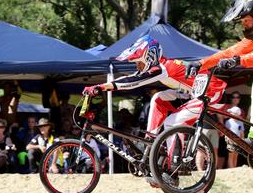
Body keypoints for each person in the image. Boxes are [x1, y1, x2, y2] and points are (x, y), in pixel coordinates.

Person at [84, 35, 227, 137]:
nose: (137, 66)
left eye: (139, 62)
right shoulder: (163, 66)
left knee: (172, 123)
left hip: (212, 92)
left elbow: (132, 81)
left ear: (150, 56)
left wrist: (102, 87)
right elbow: (133, 77)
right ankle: (151, 138)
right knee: (158, 98)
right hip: (194, 92)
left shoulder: (161, 69)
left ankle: (174, 164)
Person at [185, 0, 253, 143]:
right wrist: (201, 63)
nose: (244, 25)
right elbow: (231, 51)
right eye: (242, 22)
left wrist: (239, 61)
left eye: (246, 20)